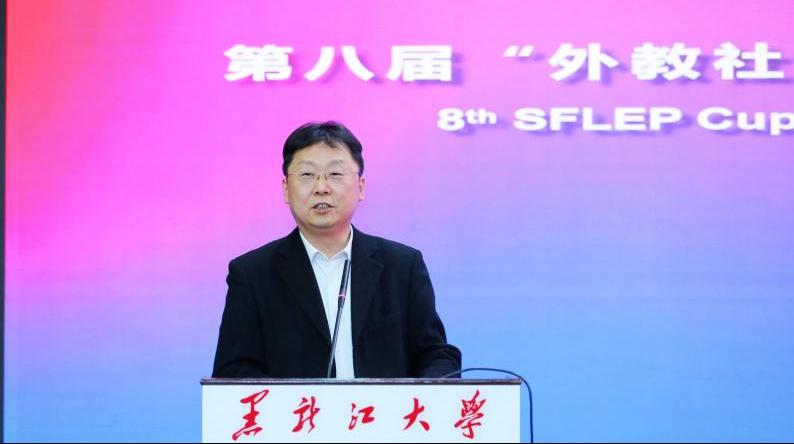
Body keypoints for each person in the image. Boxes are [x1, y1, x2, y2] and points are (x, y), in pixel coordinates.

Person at [212, 121, 461, 378]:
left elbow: (435, 355)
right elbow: (234, 371)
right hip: (298, 406)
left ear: (360, 187)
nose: (321, 187)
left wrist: (430, 388)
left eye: (335, 174)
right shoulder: (252, 274)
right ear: (286, 188)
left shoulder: (402, 266)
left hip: (382, 406)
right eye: (307, 175)